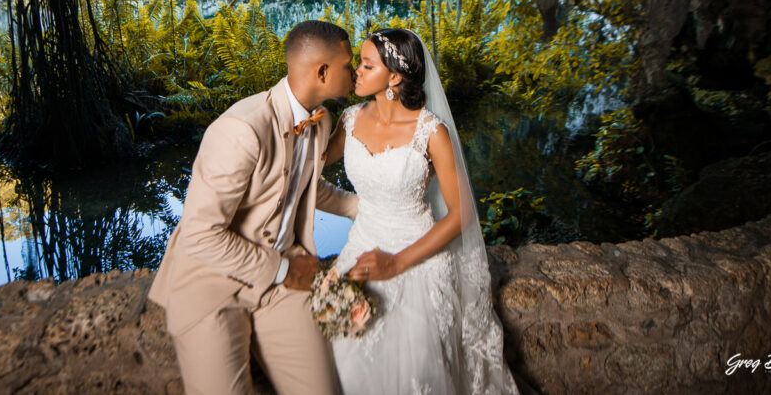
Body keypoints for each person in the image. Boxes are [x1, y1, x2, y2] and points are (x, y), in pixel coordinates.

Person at [148, 20, 359, 395]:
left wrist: (364, 208)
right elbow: (200, 235)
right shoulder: (242, 129)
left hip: (281, 283)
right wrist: (282, 270)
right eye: (349, 64)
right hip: (212, 282)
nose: (355, 71)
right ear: (322, 72)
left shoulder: (321, 122)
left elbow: (304, 186)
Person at [324, 28, 520, 394]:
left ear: (394, 77)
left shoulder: (431, 132)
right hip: (360, 247)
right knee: (345, 362)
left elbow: (461, 215)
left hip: (416, 256)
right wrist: (314, 116)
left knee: (412, 368)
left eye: (367, 66)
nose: (357, 73)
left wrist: (397, 263)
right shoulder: (349, 120)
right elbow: (311, 162)